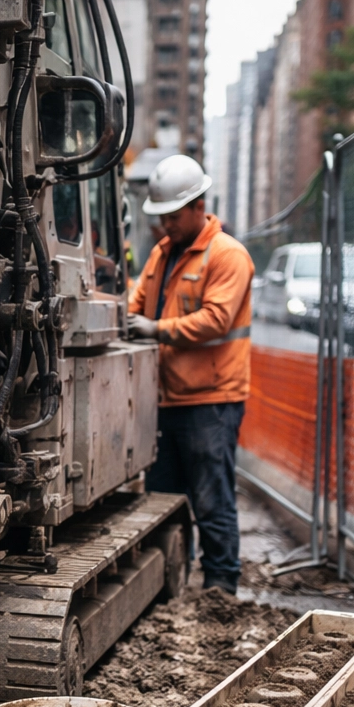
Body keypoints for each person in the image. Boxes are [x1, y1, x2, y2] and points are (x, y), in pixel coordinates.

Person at [125, 154, 254, 596]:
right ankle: (170, 583)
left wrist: (154, 329)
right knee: (163, 499)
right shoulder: (163, 254)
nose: (165, 226)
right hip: (168, 399)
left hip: (210, 401)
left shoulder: (228, 255)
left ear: (200, 205)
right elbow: (136, 305)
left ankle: (220, 586)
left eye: (173, 216)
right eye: (160, 217)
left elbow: (215, 320)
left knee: (211, 498)